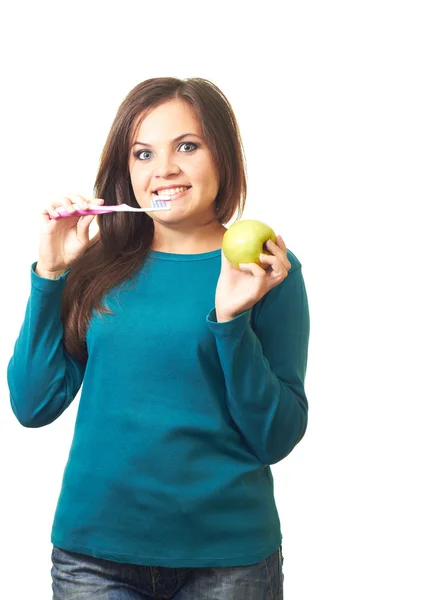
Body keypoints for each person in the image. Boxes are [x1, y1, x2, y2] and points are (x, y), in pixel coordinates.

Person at [7, 77, 310, 600]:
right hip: (93, 559)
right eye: (143, 153)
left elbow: (276, 437)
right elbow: (32, 404)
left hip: (229, 561)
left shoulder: (264, 269)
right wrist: (50, 274)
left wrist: (232, 321)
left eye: (187, 147)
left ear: (224, 156)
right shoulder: (96, 266)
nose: (163, 169)